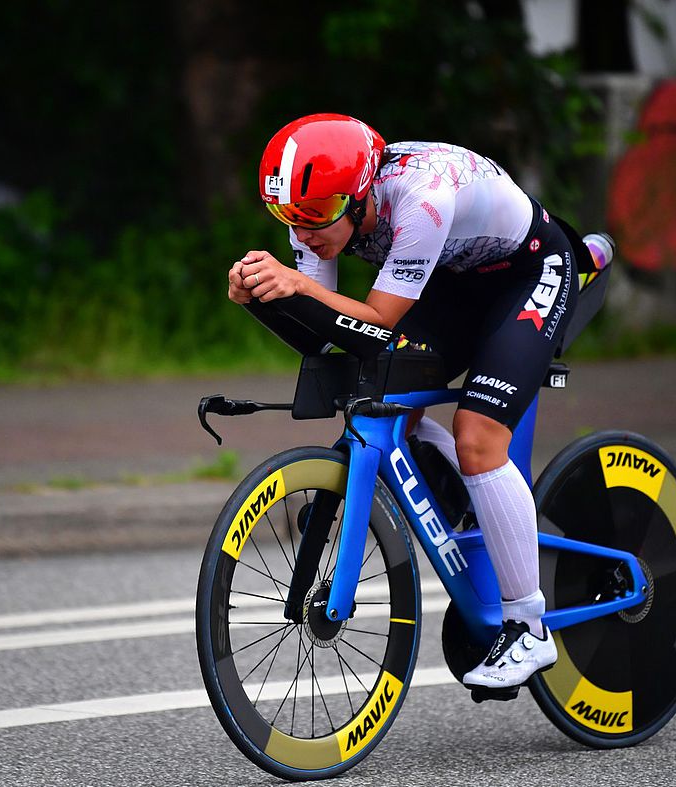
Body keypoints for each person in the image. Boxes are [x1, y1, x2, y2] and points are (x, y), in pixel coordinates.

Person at [228, 113, 581, 691]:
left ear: (359, 194)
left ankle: (528, 626)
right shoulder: (315, 209)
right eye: (287, 216)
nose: (302, 231)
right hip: (452, 279)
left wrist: (300, 289)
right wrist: (265, 301)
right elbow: (334, 337)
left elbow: (377, 320)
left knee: (478, 435)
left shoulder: (422, 201)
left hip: (527, 272)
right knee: (388, 398)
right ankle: (468, 499)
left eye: (316, 215)